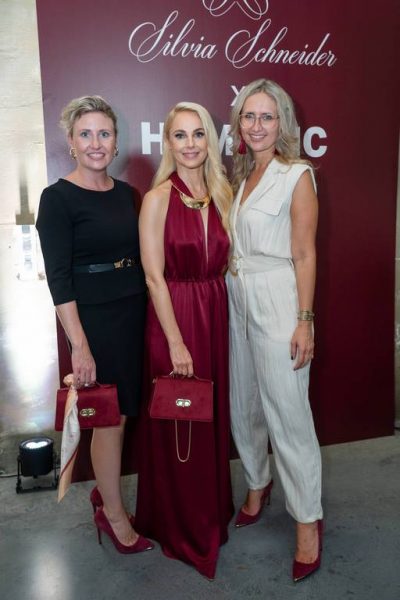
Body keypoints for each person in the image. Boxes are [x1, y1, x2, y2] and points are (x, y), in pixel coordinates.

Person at [36, 95, 153, 554]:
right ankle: (114, 516)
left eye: (104, 133)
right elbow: (59, 280)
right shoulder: (57, 199)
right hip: (93, 320)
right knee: (111, 419)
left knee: (124, 413)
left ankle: (106, 496)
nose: (96, 143)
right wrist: (79, 345)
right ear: (70, 142)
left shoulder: (128, 195)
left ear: (116, 140)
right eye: (85, 134)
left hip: (132, 311)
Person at [227, 79, 323, 582]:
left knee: (288, 414)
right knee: (244, 404)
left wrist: (304, 320)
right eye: (249, 116)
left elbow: (305, 253)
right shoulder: (241, 175)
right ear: (239, 124)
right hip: (237, 295)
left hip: (278, 298)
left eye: (266, 117)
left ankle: (308, 521)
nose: (257, 125)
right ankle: (257, 484)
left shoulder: (295, 175)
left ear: (282, 123)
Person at [135, 102, 234, 579]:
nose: (190, 144)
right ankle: (181, 524)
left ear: (209, 141)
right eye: (180, 135)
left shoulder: (221, 192)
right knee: (182, 424)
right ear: (167, 143)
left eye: (198, 134)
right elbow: (154, 278)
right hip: (175, 319)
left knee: (209, 418)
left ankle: (209, 513)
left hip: (215, 316)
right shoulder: (157, 198)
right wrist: (175, 342)